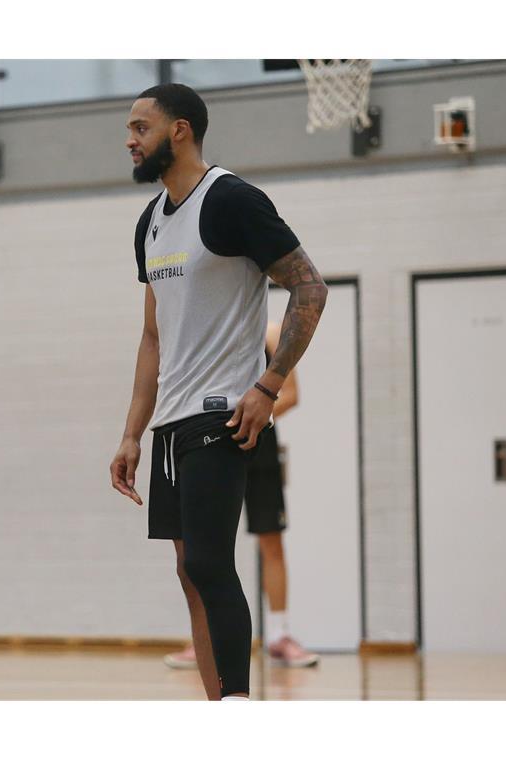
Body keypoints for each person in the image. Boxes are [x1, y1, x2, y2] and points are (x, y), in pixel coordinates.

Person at [109, 84, 327, 700]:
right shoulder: (149, 222)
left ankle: (236, 705)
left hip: (220, 414)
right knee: (189, 572)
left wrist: (269, 384)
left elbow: (310, 288)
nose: (129, 139)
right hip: (170, 425)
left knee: (208, 564)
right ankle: (218, 703)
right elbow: (152, 336)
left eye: (139, 127)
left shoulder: (231, 200)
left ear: (179, 131)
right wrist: (131, 432)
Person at [164, 322, 320, 671]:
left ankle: (279, 635)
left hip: (257, 443)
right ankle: (202, 637)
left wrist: (245, 417)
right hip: (211, 446)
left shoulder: (274, 332)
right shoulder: (211, 328)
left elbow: (291, 393)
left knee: (271, 539)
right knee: (206, 547)